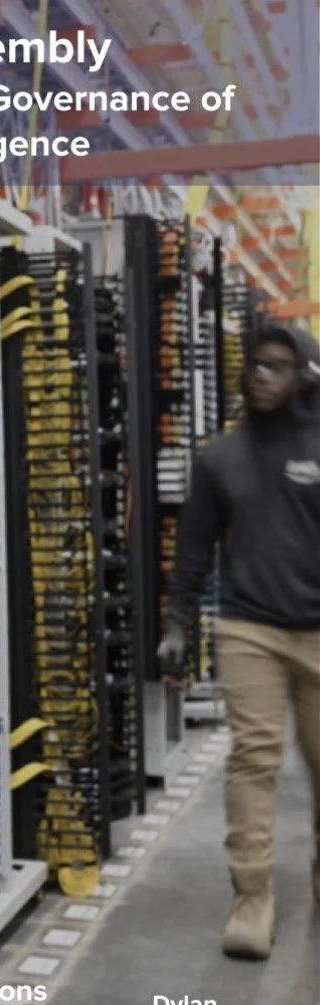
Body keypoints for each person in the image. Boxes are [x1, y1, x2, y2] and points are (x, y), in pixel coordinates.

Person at [158, 322, 320, 961]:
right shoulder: (219, 457)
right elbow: (193, 551)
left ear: (304, 375)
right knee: (254, 758)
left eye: (278, 366)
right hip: (248, 627)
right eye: (256, 364)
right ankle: (252, 897)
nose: (262, 374)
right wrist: (177, 625)